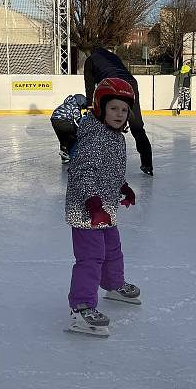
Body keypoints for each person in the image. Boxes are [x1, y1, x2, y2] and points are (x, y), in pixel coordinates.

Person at [65, 78, 141, 337]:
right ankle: (81, 307)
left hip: (105, 208)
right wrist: (93, 204)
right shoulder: (94, 138)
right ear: (100, 107)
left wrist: (123, 187)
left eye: (123, 110)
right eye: (113, 108)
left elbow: (112, 170)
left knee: (113, 249)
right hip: (86, 210)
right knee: (90, 258)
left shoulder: (116, 138)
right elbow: (82, 173)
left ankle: (113, 284)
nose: (119, 114)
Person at [84, 47, 153, 175]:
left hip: (111, 86)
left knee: (106, 127)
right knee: (137, 127)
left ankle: (104, 164)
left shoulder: (90, 60)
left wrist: (90, 105)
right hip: (130, 85)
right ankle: (147, 164)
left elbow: (89, 84)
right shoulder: (114, 57)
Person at [50, 94, 87, 164]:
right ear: (81, 102)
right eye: (82, 107)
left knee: (63, 139)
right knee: (75, 137)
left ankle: (64, 157)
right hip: (64, 120)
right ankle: (74, 156)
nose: (81, 108)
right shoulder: (74, 106)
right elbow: (78, 120)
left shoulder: (67, 104)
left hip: (54, 120)